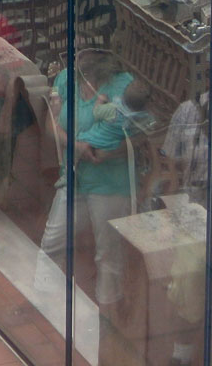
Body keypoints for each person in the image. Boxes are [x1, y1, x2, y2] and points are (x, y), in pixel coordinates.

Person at [34, 50, 134, 307]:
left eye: (88, 51)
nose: (79, 56)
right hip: (74, 176)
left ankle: (108, 305)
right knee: (53, 241)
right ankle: (45, 301)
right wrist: (77, 147)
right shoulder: (66, 79)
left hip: (110, 181)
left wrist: (107, 152)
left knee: (108, 252)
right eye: (78, 52)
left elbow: (139, 135)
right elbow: (50, 126)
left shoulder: (124, 84)